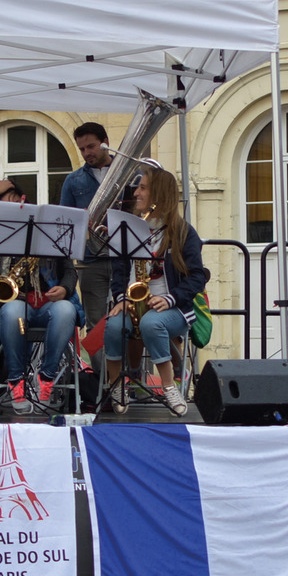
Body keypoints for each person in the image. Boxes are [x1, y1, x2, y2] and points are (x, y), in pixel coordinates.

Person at [0, 183, 84, 414]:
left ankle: (46, 378)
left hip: (47, 303)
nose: (7, 205)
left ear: (22, 198)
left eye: (10, 198)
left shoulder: (48, 227)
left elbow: (70, 271)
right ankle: (15, 381)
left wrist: (64, 289)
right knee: (12, 312)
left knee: (66, 311)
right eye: (0, 202)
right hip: (12, 303)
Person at [103, 166, 206, 417]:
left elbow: (197, 277)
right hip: (133, 301)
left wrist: (170, 298)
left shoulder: (183, 232)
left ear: (158, 194)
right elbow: (118, 272)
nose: (136, 193)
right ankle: (116, 386)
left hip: (173, 307)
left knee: (151, 324)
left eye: (143, 188)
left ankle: (169, 387)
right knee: (113, 326)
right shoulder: (128, 229)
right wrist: (121, 298)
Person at [60, 123, 114, 357]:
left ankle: (130, 377)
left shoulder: (132, 173)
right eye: (82, 149)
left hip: (125, 259)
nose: (86, 153)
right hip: (91, 261)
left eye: (91, 146)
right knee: (95, 324)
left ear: (105, 143)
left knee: (131, 322)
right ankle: (102, 379)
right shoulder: (73, 181)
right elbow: (64, 222)